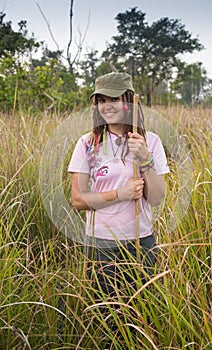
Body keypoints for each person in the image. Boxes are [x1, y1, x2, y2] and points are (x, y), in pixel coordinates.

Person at [68, 72, 169, 297]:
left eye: (113, 99)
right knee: (107, 314)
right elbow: (78, 200)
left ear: (129, 101)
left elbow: (157, 198)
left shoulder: (150, 141)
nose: (106, 106)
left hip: (141, 241)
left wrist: (145, 158)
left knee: (144, 312)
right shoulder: (87, 143)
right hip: (100, 243)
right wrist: (120, 194)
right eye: (101, 101)